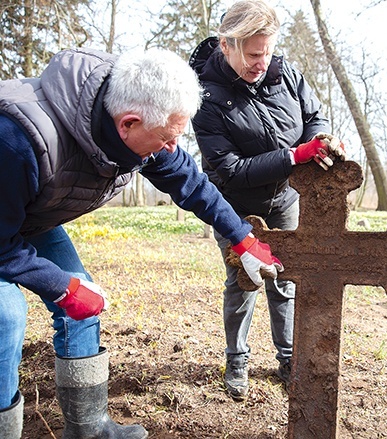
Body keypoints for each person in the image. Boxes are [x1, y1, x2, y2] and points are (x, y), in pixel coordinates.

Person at [0, 47, 283, 438]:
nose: (171, 149)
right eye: (167, 139)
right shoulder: (18, 141)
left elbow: (191, 182)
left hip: (25, 216)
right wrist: (59, 285)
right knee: (6, 318)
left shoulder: (141, 124)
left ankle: (89, 430)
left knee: (84, 304)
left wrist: (242, 238)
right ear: (128, 124)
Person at [189, 0, 346, 400]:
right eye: (254, 54)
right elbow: (230, 169)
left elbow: (314, 117)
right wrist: (295, 156)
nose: (263, 61)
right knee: (244, 283)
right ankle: (236, 360)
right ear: (227, 46)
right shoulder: (204, 99)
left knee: (287, 281)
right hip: (236, 205)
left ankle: (289, 359)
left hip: (285, 199)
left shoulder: (286, 73)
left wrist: (321, 140)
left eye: (269, 51)